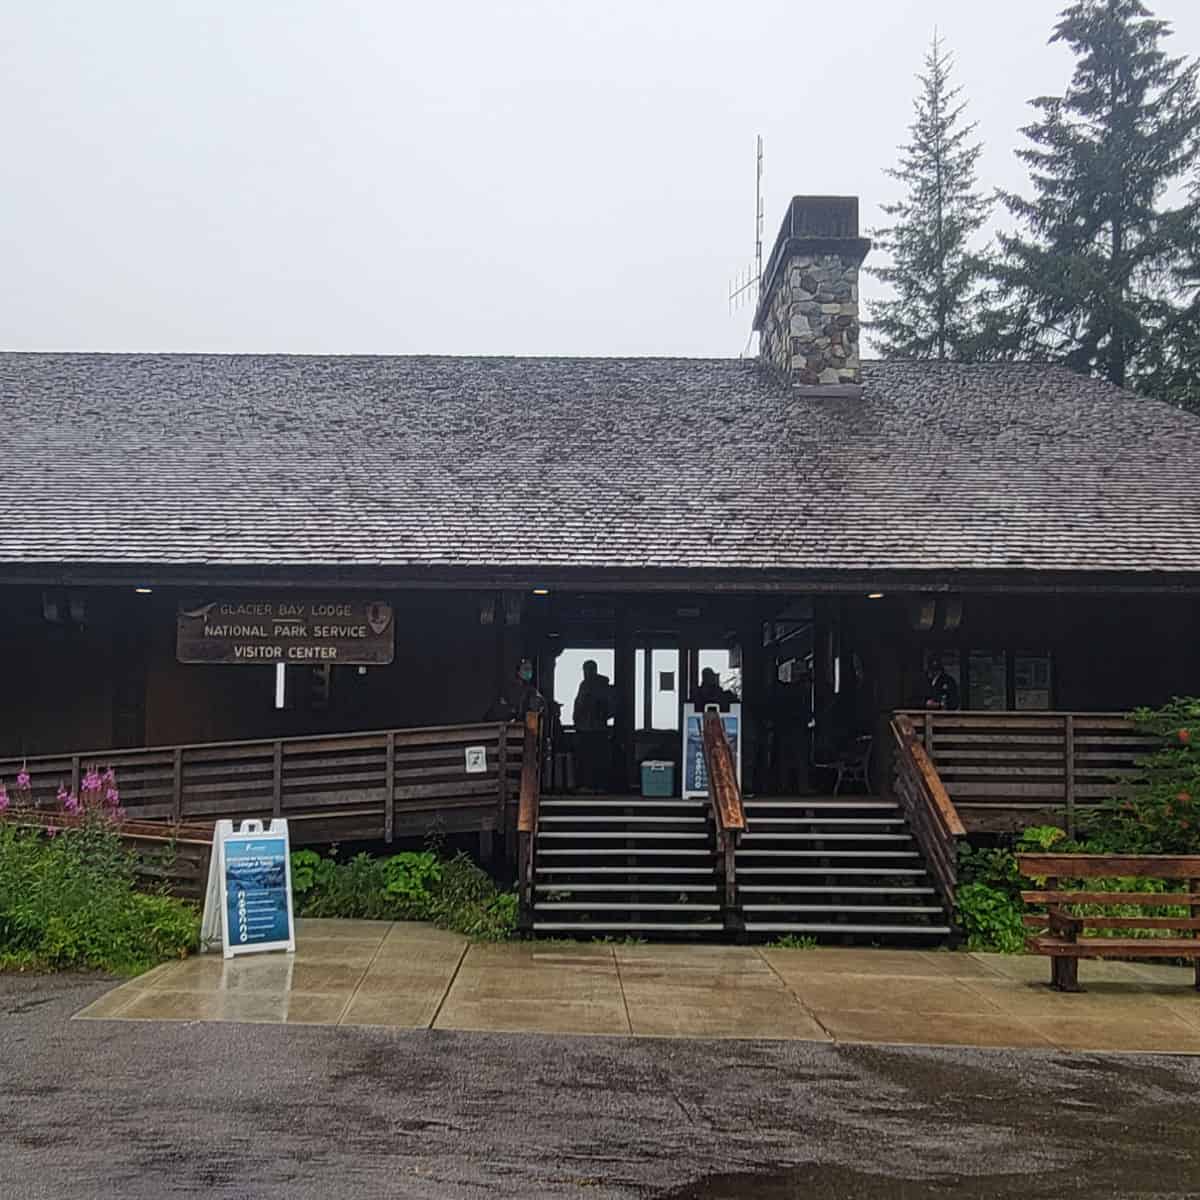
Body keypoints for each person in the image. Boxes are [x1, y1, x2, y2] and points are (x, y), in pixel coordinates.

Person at [572, 659, 612, 791]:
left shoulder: (600, 686)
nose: (586, 673)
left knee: (595, 759)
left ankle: (595, 785)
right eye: (585, 670)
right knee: (589, 759)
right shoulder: (586, 685)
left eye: (588, 670)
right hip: (588, 728)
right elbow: (579, 705)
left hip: (593, 729)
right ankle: (590, 785)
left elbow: (608, 708)